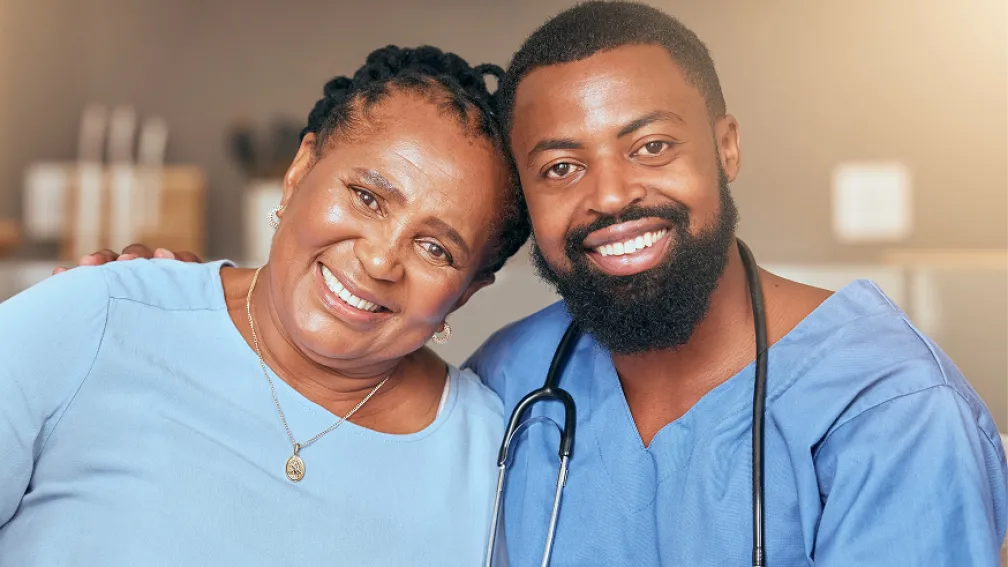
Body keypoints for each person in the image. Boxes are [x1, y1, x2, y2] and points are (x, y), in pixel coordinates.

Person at [64, 2, 1008, 566]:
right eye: (559, 167)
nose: (611, 196)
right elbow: (309, 431)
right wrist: (192, 311)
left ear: (725, 147)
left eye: (651, 146)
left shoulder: (889, 410)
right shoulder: (508, 386)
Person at [0, 45, 531, 566]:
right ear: (300, 170)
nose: (378, 261)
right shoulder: (98, 318)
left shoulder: (493, 464)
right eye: (367, 198)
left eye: (435, 249)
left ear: (466, 292)